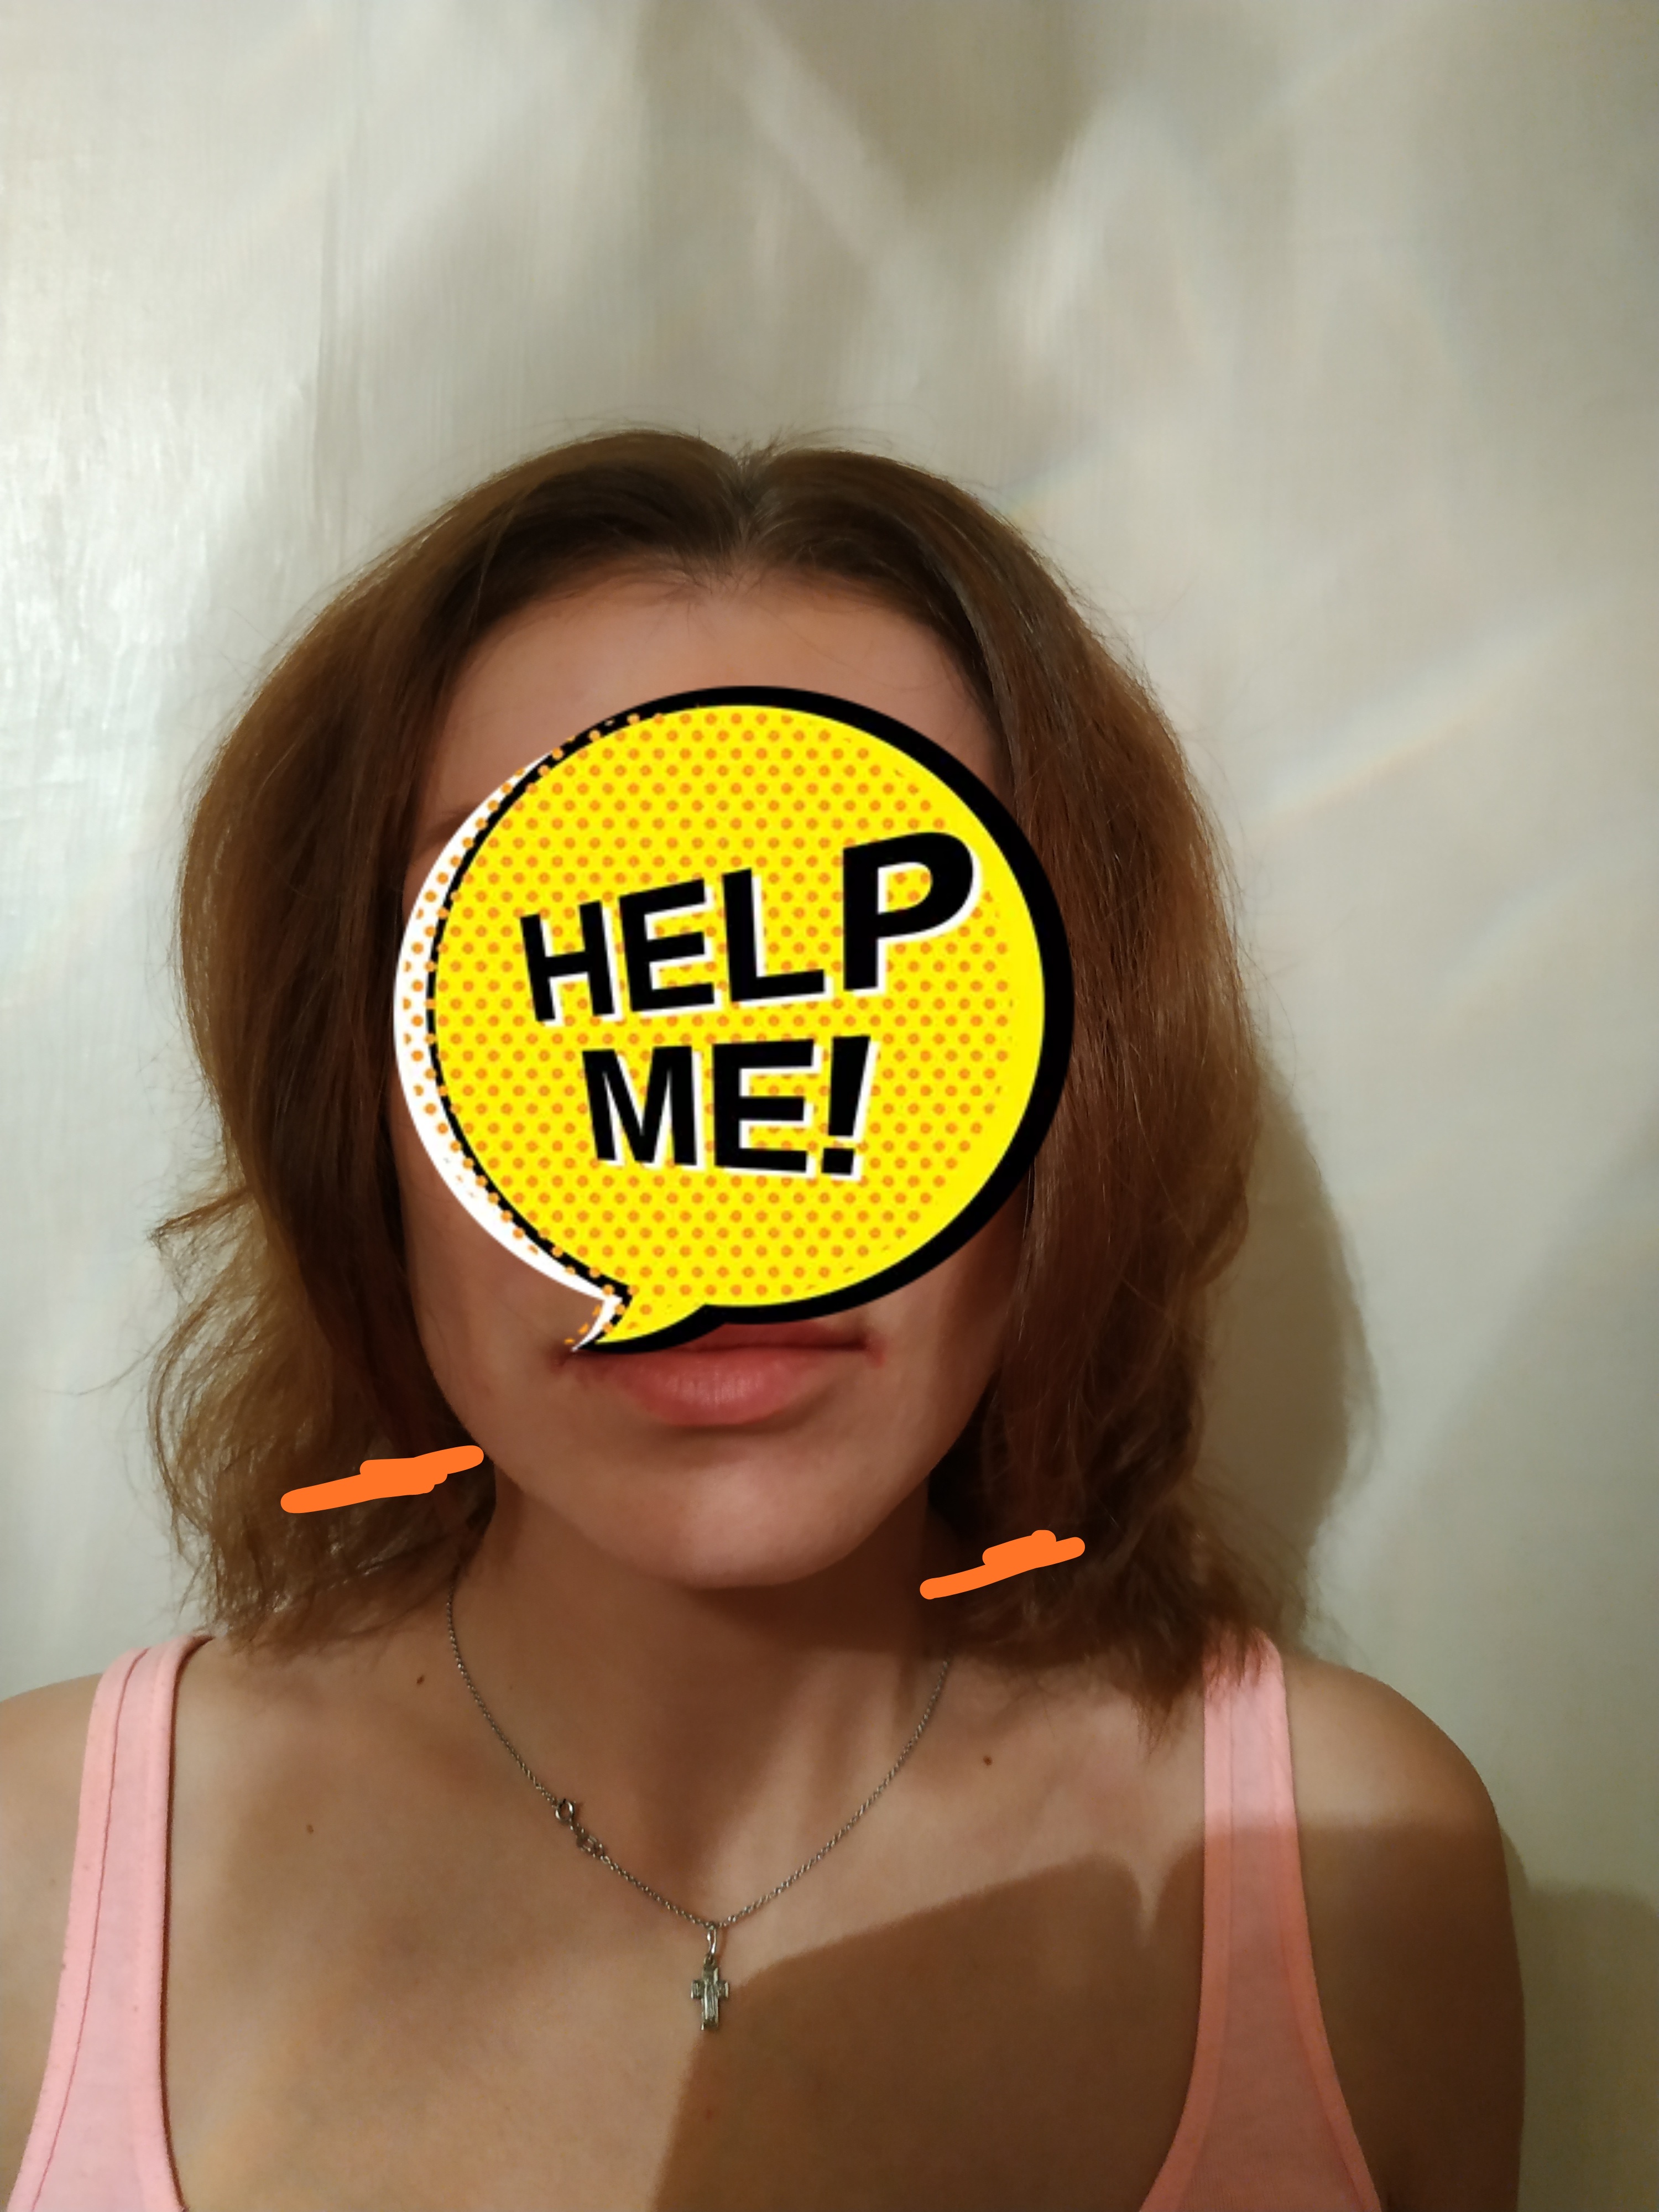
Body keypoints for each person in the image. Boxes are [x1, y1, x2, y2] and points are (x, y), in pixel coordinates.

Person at [0, 432, 1522, 2211]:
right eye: (547, 986)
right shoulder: (35, 1877)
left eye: (881, 984)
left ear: (1076, 1087)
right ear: (356, 1108)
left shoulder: (1357, 1877)